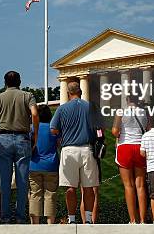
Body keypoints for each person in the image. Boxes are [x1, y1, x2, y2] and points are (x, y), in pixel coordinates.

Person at [0, 70, 39, 224]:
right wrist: (34, 135)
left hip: (3, 139)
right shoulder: (27, 96)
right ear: (20, 82)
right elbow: (35, 114)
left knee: (4, 182)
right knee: (23, 181)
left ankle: (4, 216)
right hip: (23, 138)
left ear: (5, 82)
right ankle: (20, 217)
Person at [50, 81, 97, 224]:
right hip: (87, 149)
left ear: (68, 93)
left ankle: (71, 218)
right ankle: (88, 219)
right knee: (88, 187)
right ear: (81, 92)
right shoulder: (90, 107)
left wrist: (61, 135)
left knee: (70, 188)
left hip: (69, 149)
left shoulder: (62, 109)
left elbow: (53, 129)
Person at [111, 97, 148, 224]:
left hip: (125, 146)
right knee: (141, 185)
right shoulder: (144, 112)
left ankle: (133, 220)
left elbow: (115, 131)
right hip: (140, 147)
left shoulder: (121, 111)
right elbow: (147, 130)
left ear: (127, 99)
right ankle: (143, 219)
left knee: (128, 185)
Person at [29, 104, 59, 224]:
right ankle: (50, 225)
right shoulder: (54, 129)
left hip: (34, 164)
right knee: (50, 195)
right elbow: (58, 144)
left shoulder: (32, 129)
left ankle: (35, 224)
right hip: (51, 165)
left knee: (35, 195)